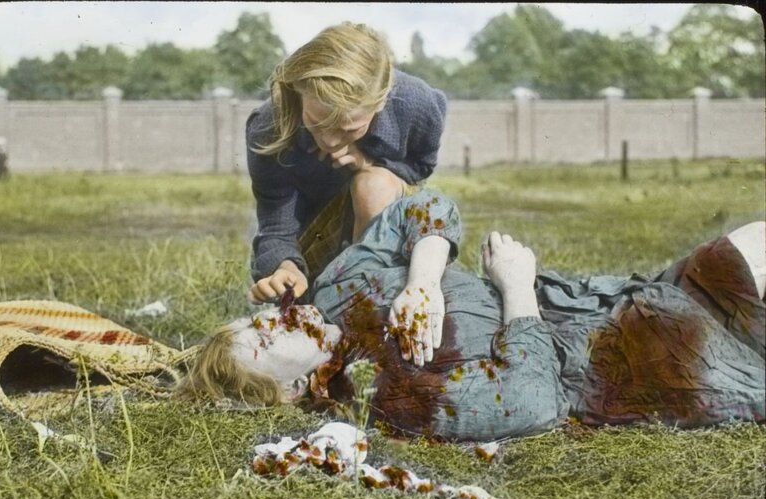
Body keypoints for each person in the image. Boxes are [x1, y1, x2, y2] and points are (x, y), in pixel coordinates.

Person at [179, 189, 766, 442]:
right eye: (262, 337)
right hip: (663, 356)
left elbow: (426, 207)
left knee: (748, 243)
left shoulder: (337, 289)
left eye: (255, 319)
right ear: (294, 390)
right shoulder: (388, 397)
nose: (272, 317)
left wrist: (423, 282)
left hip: (635, 294)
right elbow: (535, 402)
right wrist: (516, 290)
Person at [245, 22, 447, 311]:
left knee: (372, 185)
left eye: (349, 129)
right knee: (297, 303)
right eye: (316, 122)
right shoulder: (268, 126)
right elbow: (277, 227)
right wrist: (285, 267)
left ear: (380, 103)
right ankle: (333, 295)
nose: (329, 142)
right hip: (315, 236)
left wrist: (368, 161)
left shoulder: (415, 103)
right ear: (299, 91)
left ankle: (368, 294)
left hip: (385, 226)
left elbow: (421, 166)